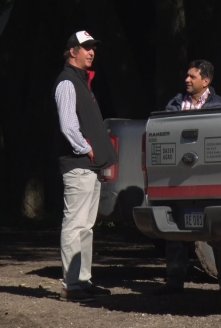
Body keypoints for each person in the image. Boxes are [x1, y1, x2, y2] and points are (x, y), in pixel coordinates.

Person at [159, 59, 221, 294]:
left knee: (220, 234)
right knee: (174, 232)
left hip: (211, 181)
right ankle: (174, 281)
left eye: (192, 76)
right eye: (187, 76)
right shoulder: (174, 105)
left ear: (206, 80)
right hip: (179, 179)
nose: (187, 80)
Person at [53, 30, 117, 302]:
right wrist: (88, 150)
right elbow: (68, 125)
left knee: (86, 226)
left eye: (93, 47)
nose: (92, 52)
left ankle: (83, 280)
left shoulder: (83, 82)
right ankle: (72, 284)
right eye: (86, 47)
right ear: (72, 52)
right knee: (75, 224)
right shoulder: (67, 82)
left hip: (89, 166)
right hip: (78, 164)